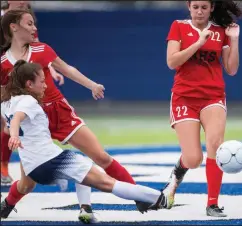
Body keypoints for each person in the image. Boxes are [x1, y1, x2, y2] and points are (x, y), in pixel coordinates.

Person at [0, 9, 146, 223]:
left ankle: (138, 196)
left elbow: (67, 69)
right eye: (29, 24)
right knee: (27, 184)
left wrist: (92, 85)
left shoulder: (42, 49)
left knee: (101, 157)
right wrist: (8, 121)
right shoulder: (3, 62)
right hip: (30, 122)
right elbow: (4, 96)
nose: (35, 28)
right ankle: (8, 204)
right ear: (14, 27)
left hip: (58, 112)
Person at [0, 60, 169, 221]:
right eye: (42, 81)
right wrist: (14, 135)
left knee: (79, 171)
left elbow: (10, 122)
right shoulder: (28, 101)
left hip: (32, 168)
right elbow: (16, 119)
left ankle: (85, 209)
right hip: (52, 160)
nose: (45, 85)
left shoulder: (6, 103)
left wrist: (13, 133)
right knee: (107, 183)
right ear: (29, 84)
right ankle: (158, 198)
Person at [161, 0, 242, 217]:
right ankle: (176, 174)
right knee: (193, 159)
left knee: (215, 144)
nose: (199, 11)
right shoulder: (178, 26)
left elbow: (231, 69)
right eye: (195, 7)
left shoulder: (220, 31)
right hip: (184, 97)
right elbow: (172, 62)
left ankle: (212, 204)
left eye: (204, 7)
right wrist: (198, 43)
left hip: (213, 96)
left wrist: (234, 41)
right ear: (189, 6)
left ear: (212, 8)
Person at [1, 0, 64, 187]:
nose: (24, 2)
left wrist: (50, 69)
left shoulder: (26, 20)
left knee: (10, 121)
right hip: (4, 73)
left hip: (13, 81)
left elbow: (35, 49)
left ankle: (5, 167)